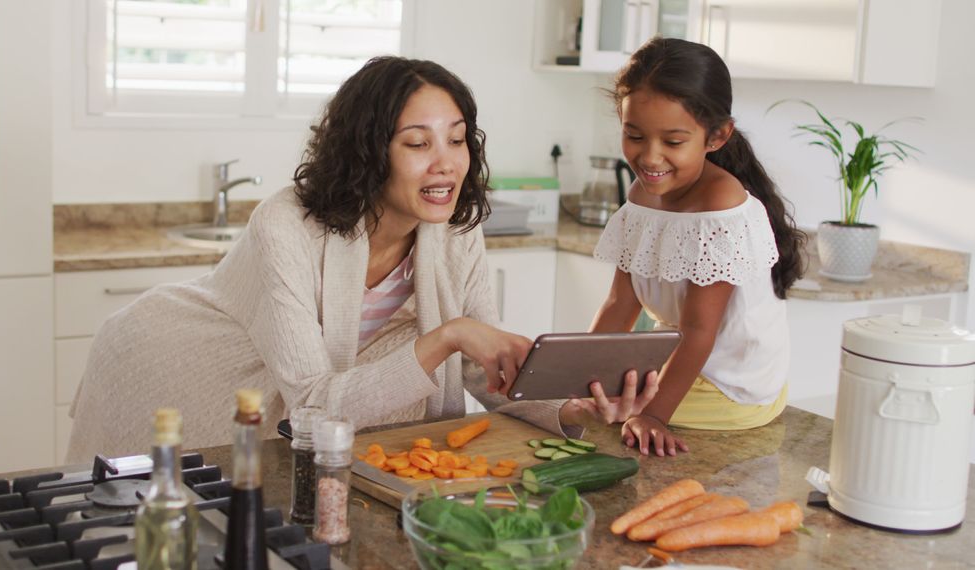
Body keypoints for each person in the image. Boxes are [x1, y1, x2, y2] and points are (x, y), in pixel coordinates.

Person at [66, 56, 657, 462]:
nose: (447, 163)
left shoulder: (454, 228)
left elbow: (483, 368)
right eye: (418, 144)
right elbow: (315, 406)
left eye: (457, 139)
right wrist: (448, 335)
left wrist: (570, 405)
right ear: (369, 153)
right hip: (177, 365)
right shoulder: (287, 225)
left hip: (293, 412)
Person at [590, 38, 806, 457]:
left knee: (607, 418)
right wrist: (574, 375)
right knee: (588, 402)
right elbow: (620, 301)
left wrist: (653, 415)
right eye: (634, 135)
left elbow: (697, 331)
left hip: (732, 385)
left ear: (717, 135)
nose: (650, 157)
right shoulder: (641, 196)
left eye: (672, 142)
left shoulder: (720, 207)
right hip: (685, 360)